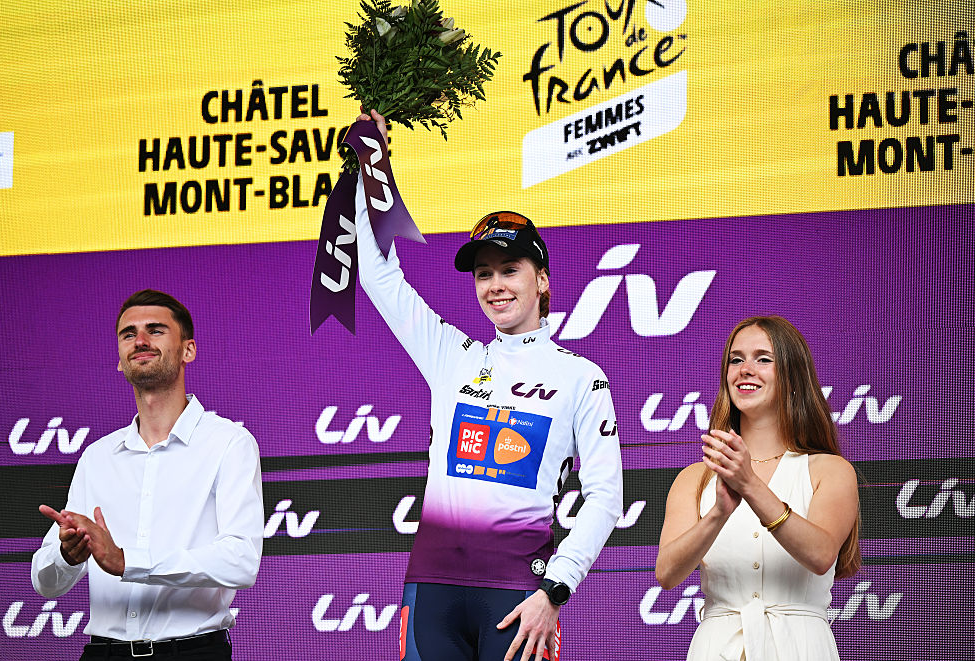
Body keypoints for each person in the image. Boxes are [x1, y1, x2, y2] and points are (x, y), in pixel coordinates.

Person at [353, 110, 623, 661]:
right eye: (483, 273)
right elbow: (378, 274)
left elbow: (605, 497)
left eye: (510, 269)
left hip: (520, 596)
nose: (495, 285)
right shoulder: (453, 356)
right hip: (431, 593)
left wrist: (556, 590)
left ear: (542, 280)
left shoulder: (581, 377)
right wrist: (369, 169)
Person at [31, 289, 264, 660]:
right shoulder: (98, 457)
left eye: (155, 330)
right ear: (121, 360)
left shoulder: (228, 444)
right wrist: (66, 555)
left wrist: (128, 561)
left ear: (188, 350)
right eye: (128, 334)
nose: (139, 340)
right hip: (104, 654)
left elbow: (241, 560)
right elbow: (45, 583)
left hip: (193, 654)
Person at [655, 315, 861, 660]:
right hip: (715, 647)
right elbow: (667, 573)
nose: (745, 369)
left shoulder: (830, 469)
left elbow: (821, 555)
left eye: (763, 359)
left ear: (794, 378)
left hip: (801, 647)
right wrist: (719, 512)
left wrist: (749, 484)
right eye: (736, 360)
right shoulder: (694, 478)